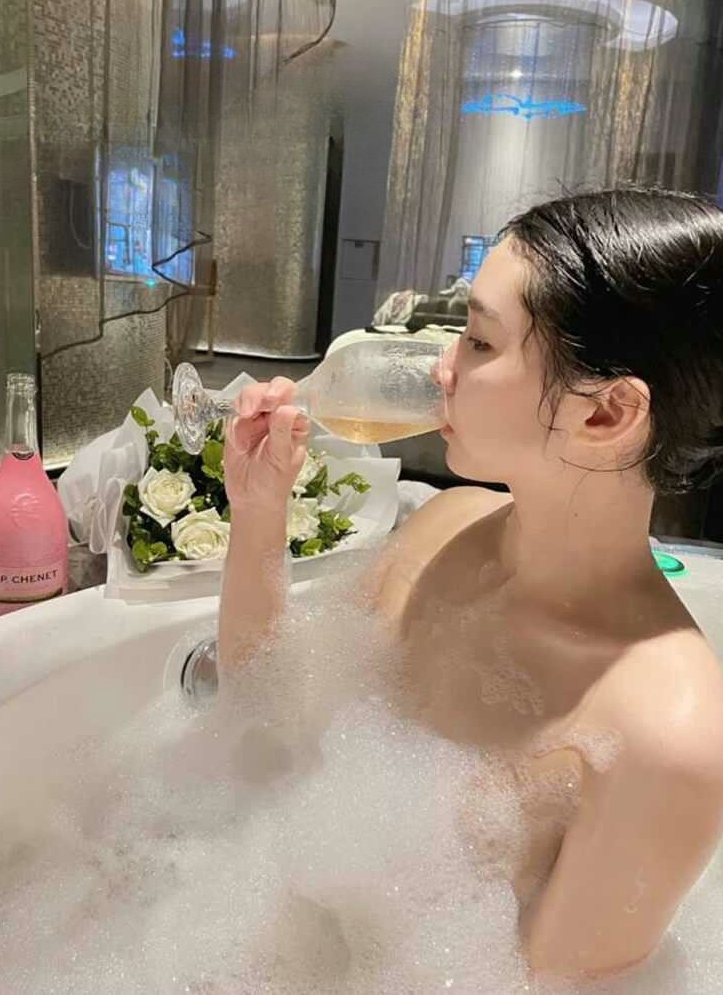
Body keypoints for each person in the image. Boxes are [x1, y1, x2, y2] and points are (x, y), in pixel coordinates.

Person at [217, 188, 723, 982]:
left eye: (480, 342)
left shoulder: (666, 735)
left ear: (606, 414)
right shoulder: (442, 529)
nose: (440, 367)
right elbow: (263, 709)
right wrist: (257, 511)